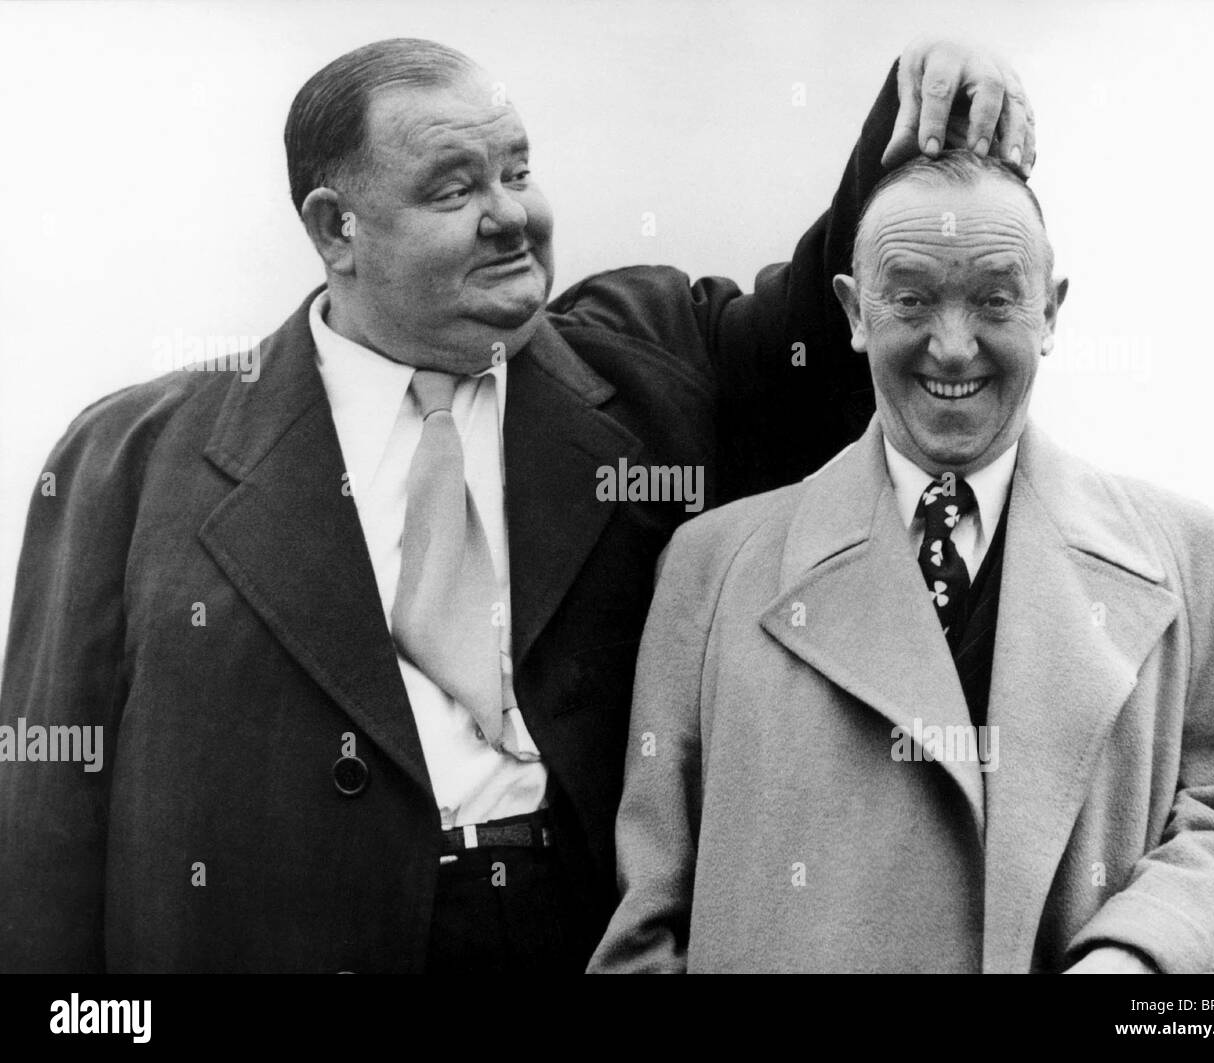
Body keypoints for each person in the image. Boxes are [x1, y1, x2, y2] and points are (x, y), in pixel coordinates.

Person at [0, 37, 1036, 973]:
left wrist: (910, 115)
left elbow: (813, 347)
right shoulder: (131, 458)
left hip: (585, 938)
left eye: (520, 169)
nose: (512, 215)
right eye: (455, 188)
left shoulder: (651, 359)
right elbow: (46, 824)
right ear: (335, 228)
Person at [588, 149, 1214, 974]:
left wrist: (1139, 962)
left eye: (995, 299)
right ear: (855, 313)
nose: (953, 346)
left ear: (1051, 313)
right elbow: (647, 924)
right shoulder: (708, 570)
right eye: (912, 298)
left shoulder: (1200, 562)